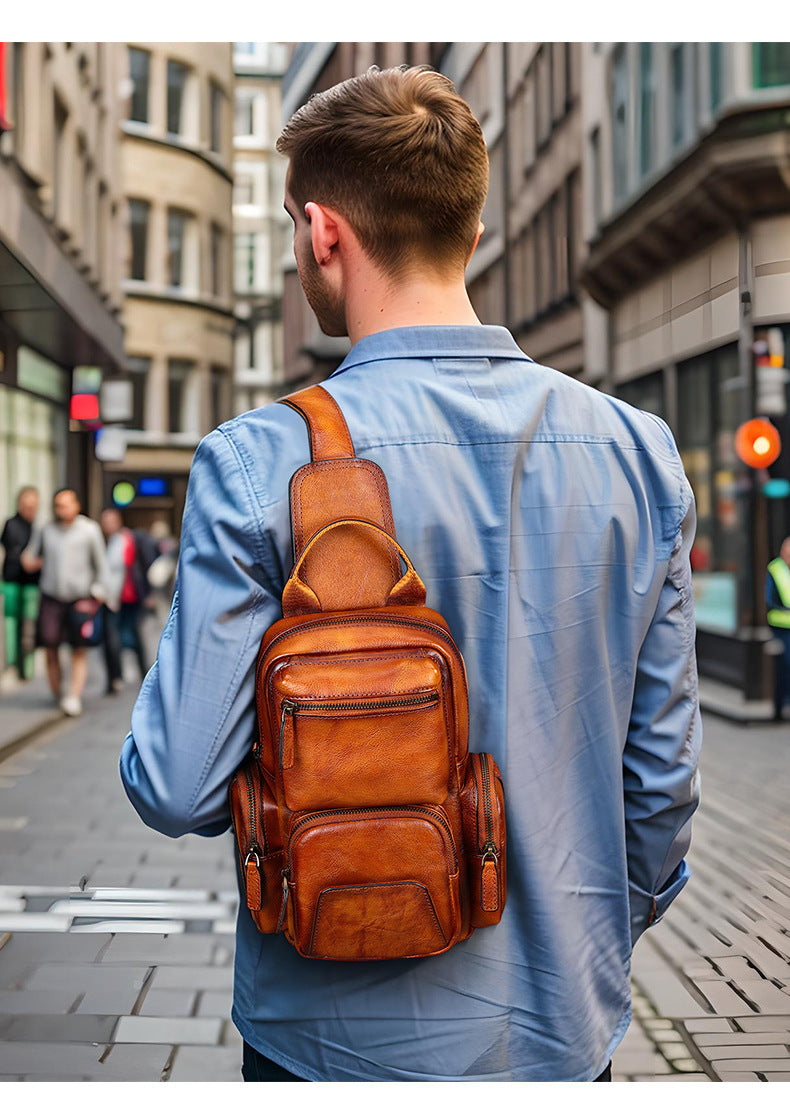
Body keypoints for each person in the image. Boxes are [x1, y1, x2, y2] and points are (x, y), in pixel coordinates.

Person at [120, 66, 702, 1082]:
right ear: (470, 234)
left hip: (329, 1045)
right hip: (561, 1035)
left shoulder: (260, 461)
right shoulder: (638, 451)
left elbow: (176, 785)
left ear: (321, 235)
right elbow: (659, 788)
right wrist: (581, 928)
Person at [22, 488, 109, 717]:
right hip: (51, 597)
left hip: (80, 599)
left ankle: (74, 696)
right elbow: (30, 557)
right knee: (50, 646)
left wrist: (97, 593)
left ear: (77, 505)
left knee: (78, 649)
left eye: (67, 504)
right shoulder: (46, 530)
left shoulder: (89, 530)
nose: (63, 509)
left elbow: (102, 565)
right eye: (59, 505)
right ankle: (58, 693)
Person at [100, 508, 151, 694]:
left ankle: (142, 673)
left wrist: (147, 593)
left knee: (134, 636)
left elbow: (143, 566)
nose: (108, 525)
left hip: (129, 597)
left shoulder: (128, 540)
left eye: (111, 520)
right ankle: (115, 677)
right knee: (112, 638)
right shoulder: (104, 542)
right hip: (111, 599)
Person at [1, 486, 41, 679]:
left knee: (29, 626)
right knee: (11, 624)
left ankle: (27, 668)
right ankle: (12, 664)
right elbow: (12, 549)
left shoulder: (39, 528)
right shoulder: (12, 524)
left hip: (31, 584)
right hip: (12, 581)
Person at [766, 536, 790, 721]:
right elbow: (769, 601)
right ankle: (779, 708)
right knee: (783, 669)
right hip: (780, 630)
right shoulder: (775, 569)